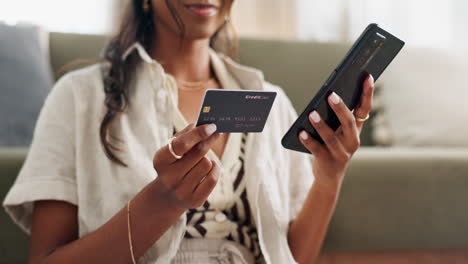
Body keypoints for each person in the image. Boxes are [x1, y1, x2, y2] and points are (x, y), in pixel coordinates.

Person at [3, 0, 374, 263]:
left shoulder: (271, 102)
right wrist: (162, 201)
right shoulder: (79, 97)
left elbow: (292, 257)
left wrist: (329, 176)